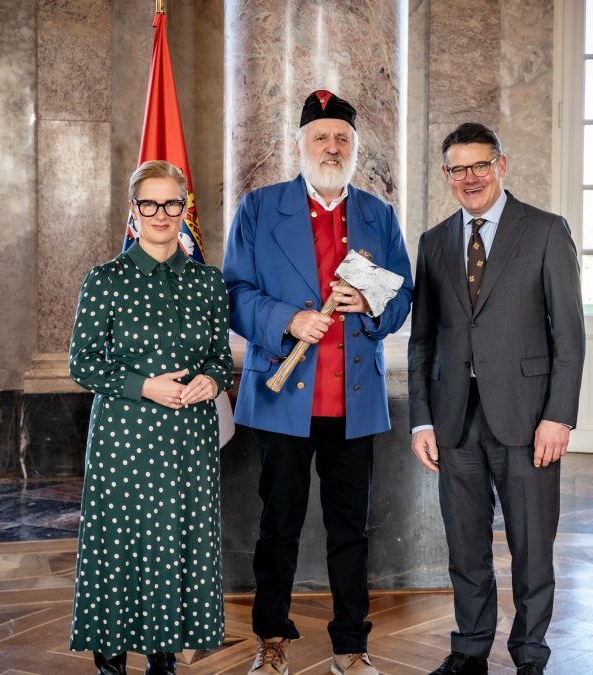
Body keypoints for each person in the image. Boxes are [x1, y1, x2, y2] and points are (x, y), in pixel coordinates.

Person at [222, 90, 413, 675]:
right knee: (277, 526)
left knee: (350, 530)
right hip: (282, 398)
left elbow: (403, 291)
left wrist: (372, 305)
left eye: (342, 139)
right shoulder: (259, 208)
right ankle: (272, 639)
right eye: (321, 138)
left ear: (355, 148)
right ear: (299, 145)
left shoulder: (379, 215)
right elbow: (234, 293)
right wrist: (287, 319)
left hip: (354, 400)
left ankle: (350, 646)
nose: (332, 148)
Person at [407, 122, 586, 675]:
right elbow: (422, 341)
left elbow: (570, 336)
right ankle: (469, 650)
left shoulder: (546, 231)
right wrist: (421, 421)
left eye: (480, 165)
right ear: (446, 176)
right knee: (465, 547)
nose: (470, 177)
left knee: (532, 548)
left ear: (501, 166)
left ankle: (530, 654)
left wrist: (559, 415)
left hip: (529, 420)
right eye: (458, 169)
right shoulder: (435, 242)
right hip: (454, 419)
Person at [67, 160, 233, 675]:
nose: (161, 214)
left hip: (188, 440)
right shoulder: (105, 280)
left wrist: (211, 379)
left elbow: (221, 358)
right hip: (124, 438)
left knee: (176, 541)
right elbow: (82, 362)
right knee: (119, 544)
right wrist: (145, 387)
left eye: (171, 203)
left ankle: (165, 660)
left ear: (185, 210)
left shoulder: (208, 281)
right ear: (133, 211)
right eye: (149, 203)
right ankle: (111, 662)